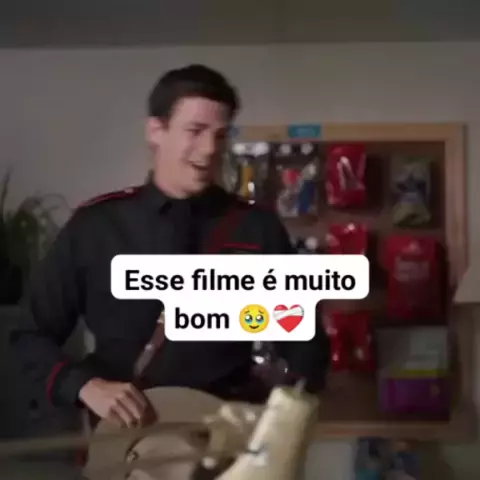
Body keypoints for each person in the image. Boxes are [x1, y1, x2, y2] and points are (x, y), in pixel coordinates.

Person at [10, 64, 330, 430]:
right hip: (124, 442)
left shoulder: (257, 229)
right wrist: (84, 385)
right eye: (195, 131)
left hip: (226, 440)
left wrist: (281, 418)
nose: (209, 149)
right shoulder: (96, 226)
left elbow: (306, 345)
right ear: (155, 131)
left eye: (220, 135)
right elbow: (28, 337)